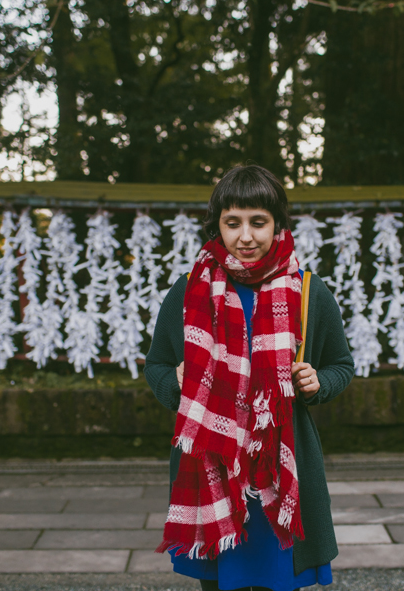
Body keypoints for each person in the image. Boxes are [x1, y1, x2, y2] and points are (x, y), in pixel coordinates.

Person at [145, 164, 355, 591]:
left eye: (258, 222)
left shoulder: (308, 291)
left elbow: (341, 365)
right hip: (212, 466)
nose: (246, 236)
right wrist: (177, 383)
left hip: (282, 465)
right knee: (221, 581)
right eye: (233, 223)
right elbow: (157, 366)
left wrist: (319, 382)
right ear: (217, 226)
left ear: (277, 224)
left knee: (279, 578)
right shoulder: (189, 291)